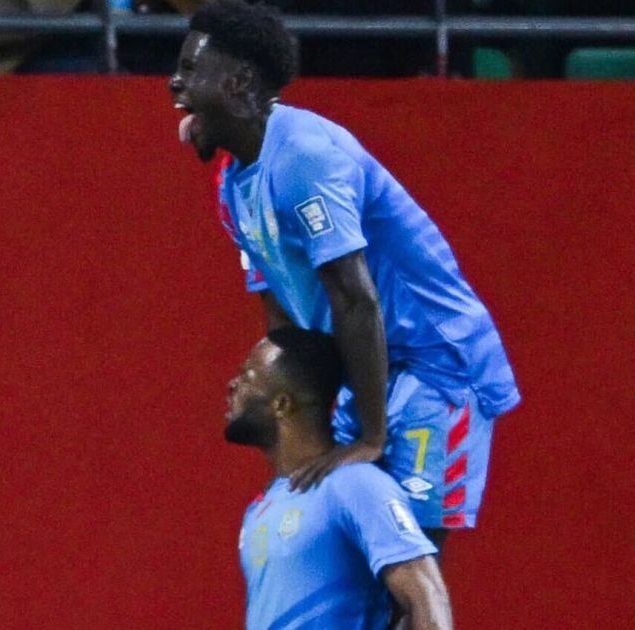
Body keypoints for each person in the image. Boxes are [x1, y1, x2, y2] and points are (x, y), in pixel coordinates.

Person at [169, 0, 521, 550]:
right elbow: (285, 319)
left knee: (409, 561)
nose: (175, 83)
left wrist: (371, 439)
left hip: (436, 367)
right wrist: (301, 425)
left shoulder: (304, 158)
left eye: (191, 69)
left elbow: (355, 298)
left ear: (238, 84)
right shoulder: (232, 185)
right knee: (349, 560)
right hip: (369, 374)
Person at [224, 327, 453, 630]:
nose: (232, 385)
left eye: (246, 377)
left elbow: (427, 597)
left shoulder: (355, 485)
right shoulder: (260, 508)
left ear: (281, 404)